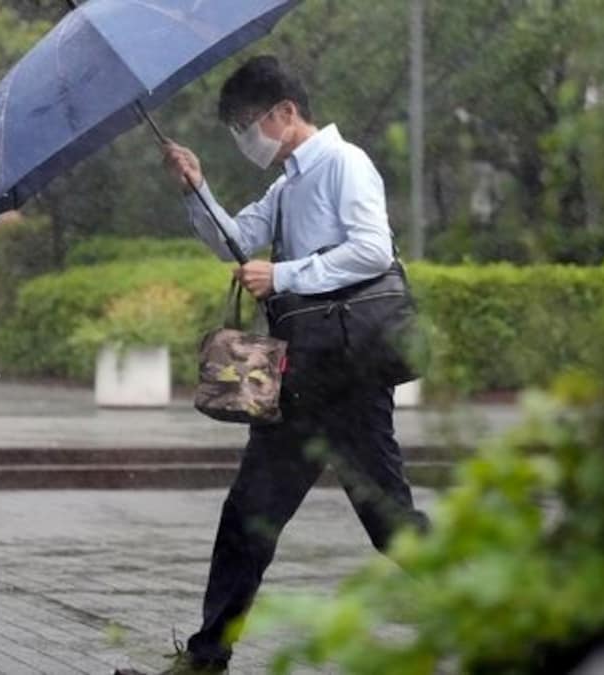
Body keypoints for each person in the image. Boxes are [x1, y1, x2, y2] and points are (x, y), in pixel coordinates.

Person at [118, 56, 430, 675]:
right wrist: (196, 188)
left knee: (389, 523)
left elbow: (372, 249)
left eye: (245, 123)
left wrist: (283, 273)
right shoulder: (287, 184)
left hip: (349, 375)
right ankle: (207, 658)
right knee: (248, 516)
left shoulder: (346, 164)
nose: (243, 137)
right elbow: (232, 240)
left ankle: (509, 620)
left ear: (285, 113)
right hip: (297, 379)